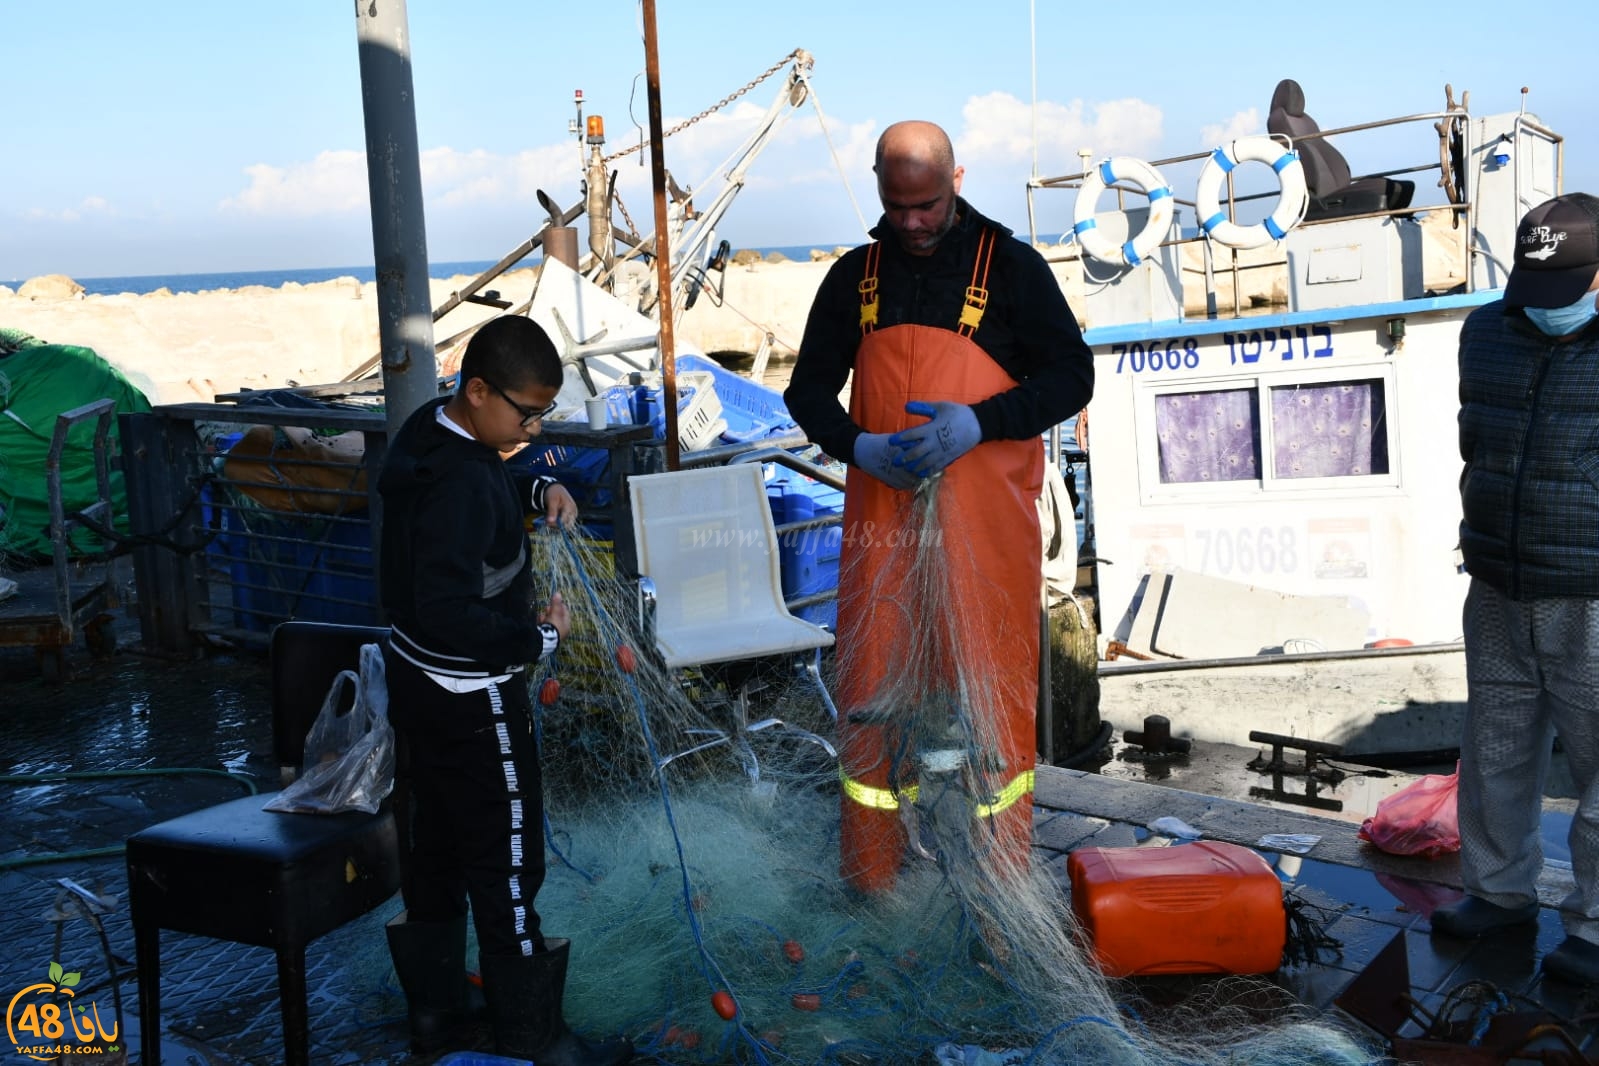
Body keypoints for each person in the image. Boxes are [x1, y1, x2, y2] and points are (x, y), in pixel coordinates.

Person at [784, 120, 1094, 892]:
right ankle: (874, 874)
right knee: (872, 699)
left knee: (991, 707)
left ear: (956, 180)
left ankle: (998, 889)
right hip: (881, 533)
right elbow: (806, 391)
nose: (913, 223)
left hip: (983, 536)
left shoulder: (1014, 270)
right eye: (897, 207)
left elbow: (1071, 377)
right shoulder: (852, 277)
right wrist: (857, 446)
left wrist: (979, 424)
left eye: (926, 204)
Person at [378, 314, 633, 1063]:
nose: (535, 424)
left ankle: (436, 1018)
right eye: (526, 413)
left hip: (415, 685)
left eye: (543, 412)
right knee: (508, 860)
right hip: (473, 693)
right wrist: (538, 640)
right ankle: (537, 1038)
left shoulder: (432, 431)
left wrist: (539, 485)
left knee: (435, 852)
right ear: (480, 389)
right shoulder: (460, 480)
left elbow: (484, 478)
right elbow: (450, 609)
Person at [1438, 192, 1599, 986]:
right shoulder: (1484, 329)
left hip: (1593, 593)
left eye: (1565, 292)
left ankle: (1596, 926)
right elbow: (1476, 441)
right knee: (1495, 745)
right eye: (1534, 290)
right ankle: (1497, 893)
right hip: (1497, 577)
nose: (1545, 312)